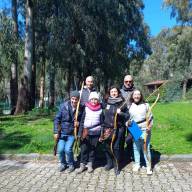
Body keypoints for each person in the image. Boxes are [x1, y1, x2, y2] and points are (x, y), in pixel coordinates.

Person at [100, 86, 129, 175]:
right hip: (107, 129)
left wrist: (121, 113)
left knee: (116, 147)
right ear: (109, 93)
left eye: (115, 91)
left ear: (118, 93)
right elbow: (102, 115)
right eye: (112, 91)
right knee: (106, 146)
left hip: (118, 129)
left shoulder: (122, 103)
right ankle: (109, 163)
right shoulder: (106, 103)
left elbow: (127, 116)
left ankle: (117, 165)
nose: (113, 93)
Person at [53, 91, 82, 173]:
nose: (74, 101)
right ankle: (63, 164)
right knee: (61, 149)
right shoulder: (63, 106)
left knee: (68, 149)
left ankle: (71, 164)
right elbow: (56, 119)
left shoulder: (80, 108)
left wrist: (78, 123)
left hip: (72, 133)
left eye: (76, 99)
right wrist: (55, 131)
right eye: (73, 99)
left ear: (78, 100)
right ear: (70, 98)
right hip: (62, 133)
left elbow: (82, 121)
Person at [77, 92, 103, 173]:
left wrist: (101, 134)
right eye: (92, 99)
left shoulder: (101, 109)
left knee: (92, 149)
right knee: (84, 149)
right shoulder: (86, 108)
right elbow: (82, 122)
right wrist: (79, 133)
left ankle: (90, 164)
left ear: (98, 100)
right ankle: (82, 165)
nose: (94, 101)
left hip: (96, 132)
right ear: (90, 100)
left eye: (96, 99)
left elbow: (102, 123)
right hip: (85, 132)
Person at [129, 89, 153, 175]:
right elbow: (128, 118)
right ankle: (137, 164)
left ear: (141, 96)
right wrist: (127, 123)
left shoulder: (146, 105)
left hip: (144, 127)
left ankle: (149, 166)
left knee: (146, 147)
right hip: (134, 127)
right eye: (135, 94)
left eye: (138, 94)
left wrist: (149, 127)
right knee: (136, 147)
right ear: (132, 96)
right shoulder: (130, 106)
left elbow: (151, 117)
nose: (136, 96)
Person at [120, 75, 136, 161]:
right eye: (126, 81)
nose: (128, 83)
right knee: (121, 137)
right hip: (122, 118)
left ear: (132, 82)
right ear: (124, 82)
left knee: (134, 136)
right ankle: (122, 155)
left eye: (130, 81)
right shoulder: (120, 91)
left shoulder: (136, 91)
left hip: (133, 118)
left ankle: (132, 155)